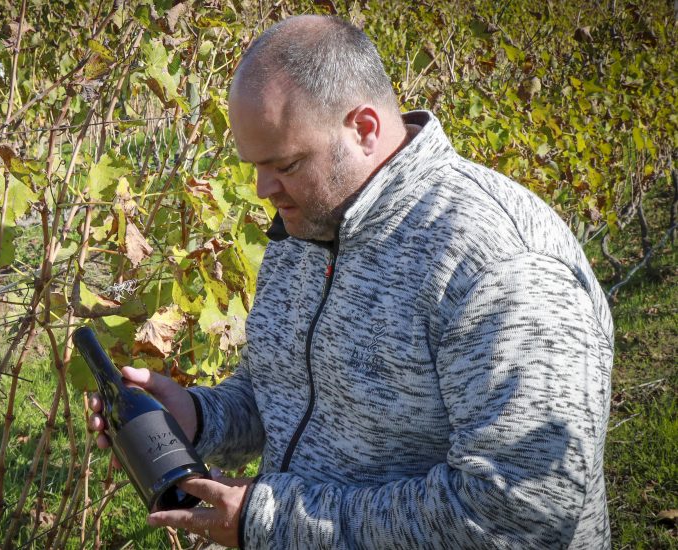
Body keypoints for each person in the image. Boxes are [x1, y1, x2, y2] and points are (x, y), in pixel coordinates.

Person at [89, 14, 613, 549]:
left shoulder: (500, 264)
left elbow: (521, 512)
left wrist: (270, 522)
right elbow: (282, 391)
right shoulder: (306, 226)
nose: (263, 188)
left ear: (363, 129)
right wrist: (199, 418)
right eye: (255, 166)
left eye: (285, 163)